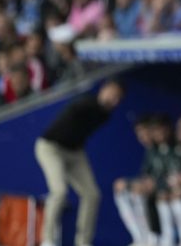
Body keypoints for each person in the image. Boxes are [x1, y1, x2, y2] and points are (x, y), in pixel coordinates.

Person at [35, 79, 124, 246]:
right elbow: (80, 111)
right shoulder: (85, 103)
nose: (114, 99)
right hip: (50, 148)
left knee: (92, 194)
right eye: (113, 93)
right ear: (104, 89)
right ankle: (47, 240)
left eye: (118, 98)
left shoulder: (105, 115)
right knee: (59, 191)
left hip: (75, 152)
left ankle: (83, 242)